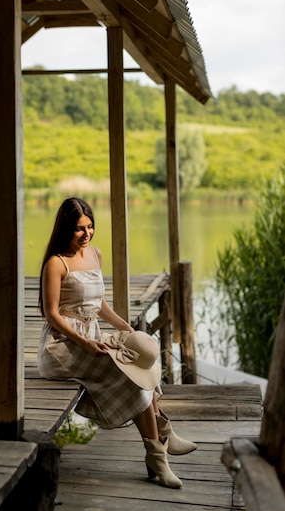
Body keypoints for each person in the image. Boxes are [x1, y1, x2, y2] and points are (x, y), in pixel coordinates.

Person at [37, 197, 197, 489]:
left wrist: (123, 326)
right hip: (63, 346)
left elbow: (98, 301)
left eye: (90, 226)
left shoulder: (95, 254)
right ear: (65, 230)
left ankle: (161, 434)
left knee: (137, 358)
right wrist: (84, 343)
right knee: (128, 376)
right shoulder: (56, 264)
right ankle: (158, 452)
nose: (86, 234)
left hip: (93, 334)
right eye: (78, 229)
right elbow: (51, 314)